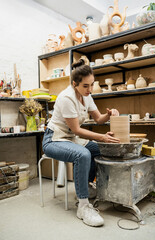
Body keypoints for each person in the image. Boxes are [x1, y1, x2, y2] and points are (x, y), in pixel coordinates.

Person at [42, 59, 120, 227]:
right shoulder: (66, 98)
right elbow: (77, 129)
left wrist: (109, 114)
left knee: (101, 149)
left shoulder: (87, 96)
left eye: (91, 85)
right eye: (85, 86)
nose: (90, 89)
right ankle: (83, 207)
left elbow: (99, 119)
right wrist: (102, 136)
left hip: (70, 138)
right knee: (83, 154)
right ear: (74, 84)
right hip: (53, 139)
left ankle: (84, 187)